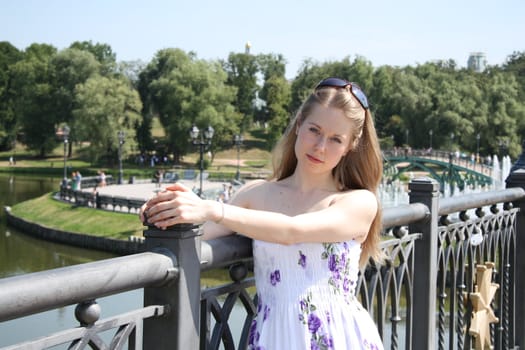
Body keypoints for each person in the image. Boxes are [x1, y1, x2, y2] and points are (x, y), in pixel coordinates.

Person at [140, 77, 384, 349]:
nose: (320, 147)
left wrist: (213, 207)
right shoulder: (256, 194)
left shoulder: (358, 202)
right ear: (299, 123)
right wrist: (164, 210)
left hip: (337, 337)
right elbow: (199, 234)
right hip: (273, 337)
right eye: (314, 130)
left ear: (351, 145)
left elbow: (293, 231)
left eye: (336, 139)